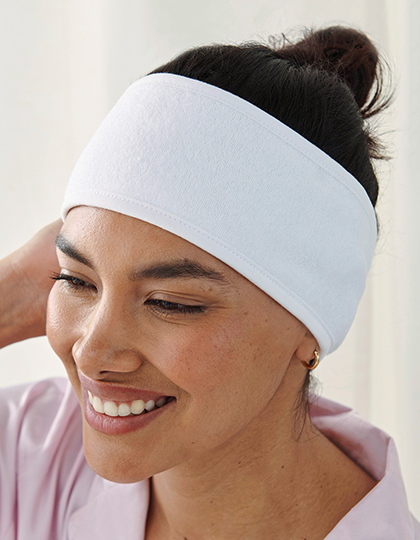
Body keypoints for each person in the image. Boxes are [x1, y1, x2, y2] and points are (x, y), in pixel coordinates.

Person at [0, 25, 418, 540]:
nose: (92, 354)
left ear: (309, 328)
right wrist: (13, 289)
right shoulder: (31, 451)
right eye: (76, 281)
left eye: (169, 303)